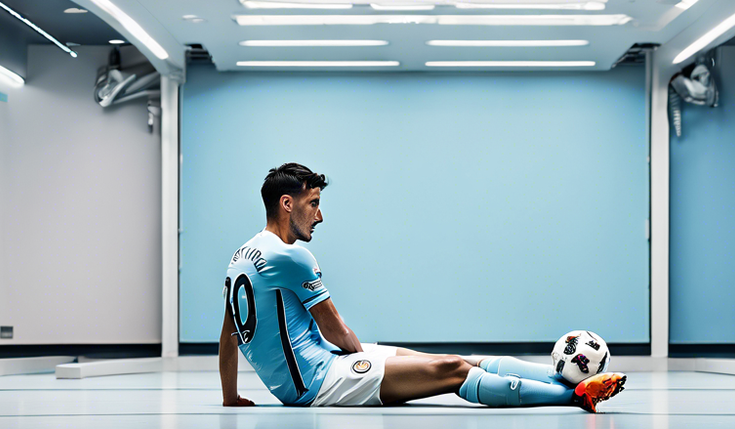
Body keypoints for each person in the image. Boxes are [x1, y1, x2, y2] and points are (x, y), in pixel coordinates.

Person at [219, 163, 626, 412]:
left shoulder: (242, 255)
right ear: (287, 204)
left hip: (316, 366)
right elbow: (336, 330)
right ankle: (574, 396)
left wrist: (230, 396)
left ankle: (563, 379)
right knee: (449, 371)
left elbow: (228, 336)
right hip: (318, 381)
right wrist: (367, 364)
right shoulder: (291, 256)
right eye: (313, 204)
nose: (320, 216)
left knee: (451, 358)